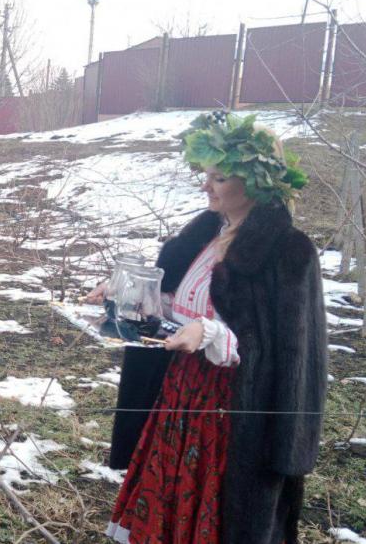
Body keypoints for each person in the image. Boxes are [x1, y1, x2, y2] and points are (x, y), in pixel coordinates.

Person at [104, 112, 326, 544]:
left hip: (229, 411)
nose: (206, 186)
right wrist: (124, 290)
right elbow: (174, 300)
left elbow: (286, 350)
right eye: (206, 175)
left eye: (219, 178)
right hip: (180, 393)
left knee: (218, 518)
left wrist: (209, 334)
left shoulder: (287, 251)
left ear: (256, 183)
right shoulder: (207, 234)